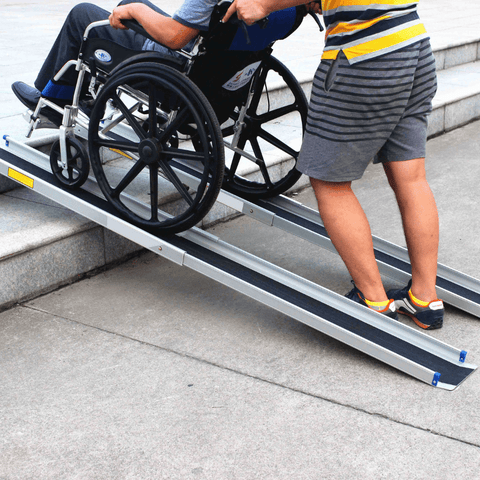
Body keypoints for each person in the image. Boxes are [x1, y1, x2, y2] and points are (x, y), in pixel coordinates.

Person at [224, 0, 445, 329]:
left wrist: (262, 4)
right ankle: (425, 300)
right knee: (411, 177)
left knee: (330, 184)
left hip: (364, 57)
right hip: (412, 44)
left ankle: (373, 301)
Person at [12, 0, 218, 115]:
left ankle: (52, 103)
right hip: (210, 70)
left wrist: (136, 10)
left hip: (167, 61)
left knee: (81, 14)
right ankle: (89, 98)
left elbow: (175, 37)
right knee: (129, 2)